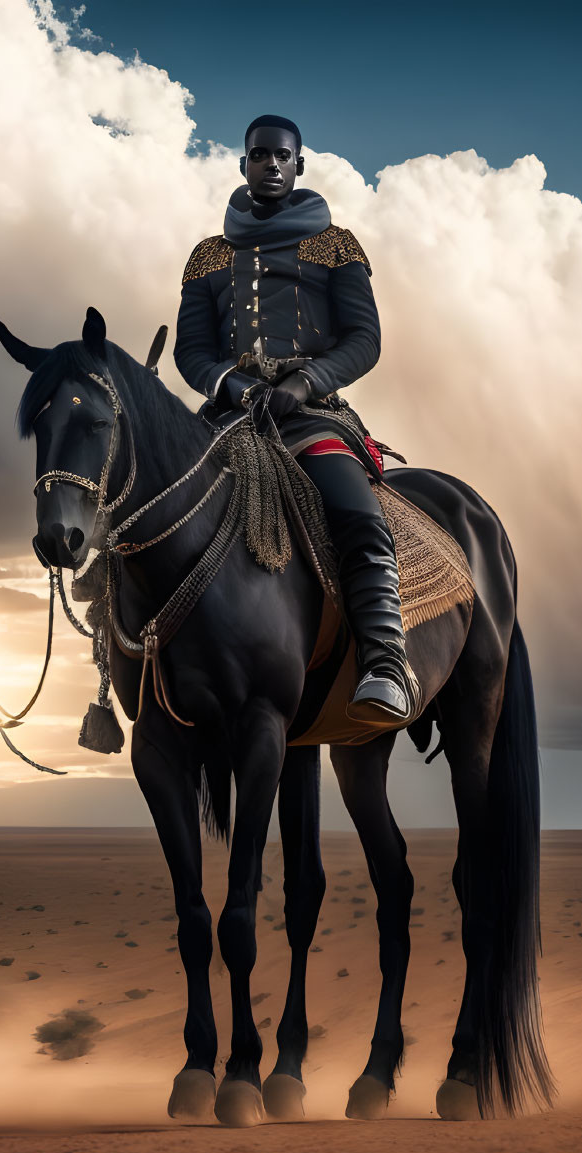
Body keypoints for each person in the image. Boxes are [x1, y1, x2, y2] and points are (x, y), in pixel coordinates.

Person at [174, 113, 418, 724]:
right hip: (230, 419)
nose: (272, 165)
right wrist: (232, 383)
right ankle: (138, 661)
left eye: (283, 156)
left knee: (354, 512)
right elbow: (192, 351)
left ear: (300, 164)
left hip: (311, 417)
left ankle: (387, 663)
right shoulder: (208, 256)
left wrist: (304, 382)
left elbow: (365, 339)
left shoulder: (336, 245)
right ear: (243, 164)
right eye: (260, 156)